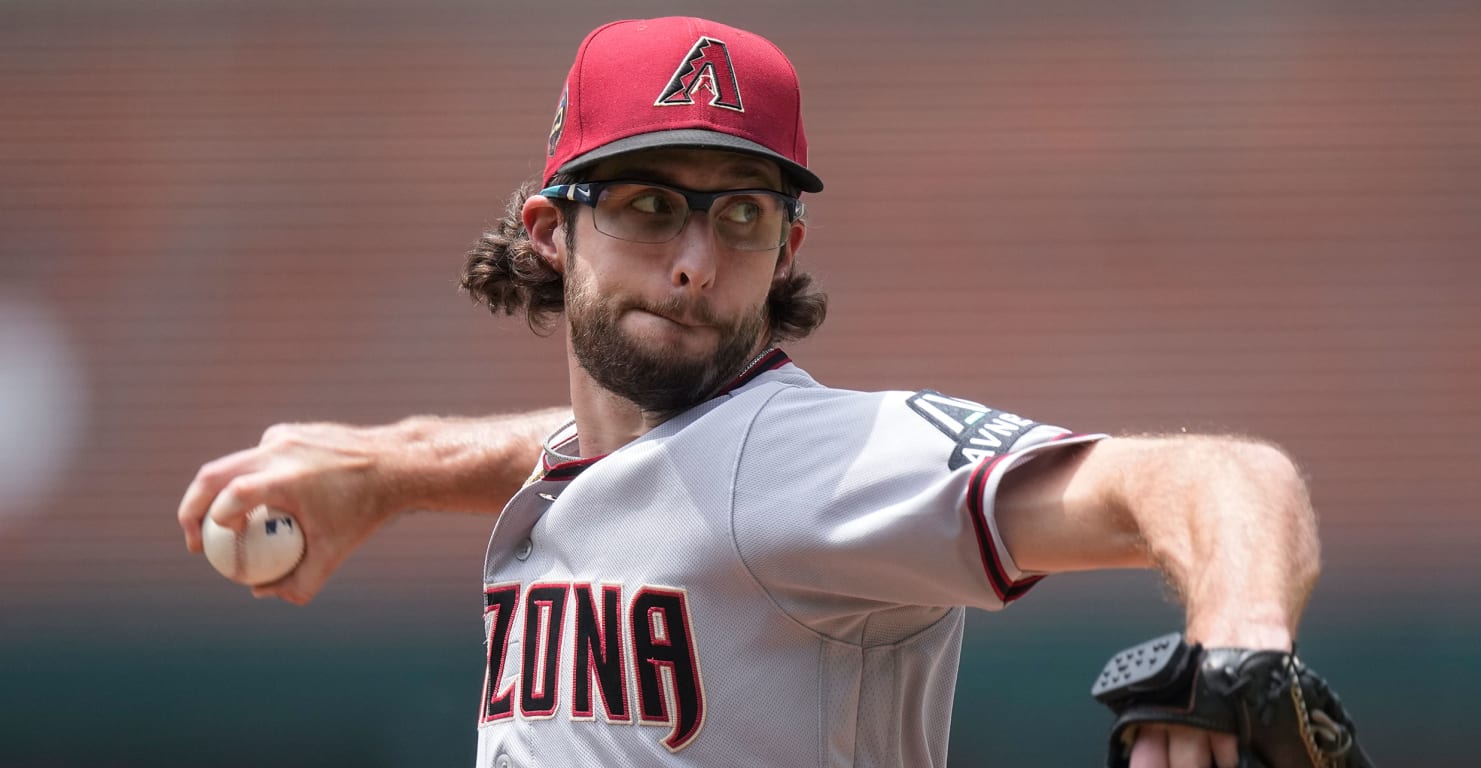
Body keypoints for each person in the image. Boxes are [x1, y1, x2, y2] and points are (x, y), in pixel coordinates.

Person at [178, 17, 1332, 768]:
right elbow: (626, 460)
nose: (694, 259)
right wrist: (389, 470)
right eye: (646, 204)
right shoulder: (622, 459)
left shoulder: (814, 463)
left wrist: (1235, 651)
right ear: (548, 231)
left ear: (786, 249)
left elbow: (1220, 474)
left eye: (741, 213)